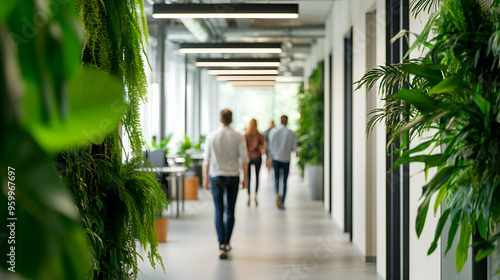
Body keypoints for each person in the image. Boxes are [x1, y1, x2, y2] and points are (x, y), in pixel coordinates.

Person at [203, 109, 249, 259]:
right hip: (233, 176)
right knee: (230, 210)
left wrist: (205, 178)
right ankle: (226, 242)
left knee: (218, 210)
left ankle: (221, 243)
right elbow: (244, 158)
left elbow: (206, 159)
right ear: (232, 120)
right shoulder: (238, 137)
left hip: (216, 176)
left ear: (220, 119)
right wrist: (245, 178)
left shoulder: (211, 136)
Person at [267, 115, 297, 210]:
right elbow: (294, 147)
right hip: (286, 159)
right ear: (287, 121)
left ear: (280, 121)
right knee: (284, 181)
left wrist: (270, 157)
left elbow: (270, 147)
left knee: (276, 179)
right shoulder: (291, 133)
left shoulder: (274, 131)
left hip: (276, 158)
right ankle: (282, 201)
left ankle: (277, 194)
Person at [244, 119, 266, 207]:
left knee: (248, 177)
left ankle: (249, 196)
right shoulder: (259, 135)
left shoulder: (246, 134)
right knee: (257, 177)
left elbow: (243, 146)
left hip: (248, 157)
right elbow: (264, 145)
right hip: (257, 157)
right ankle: (255, 195)